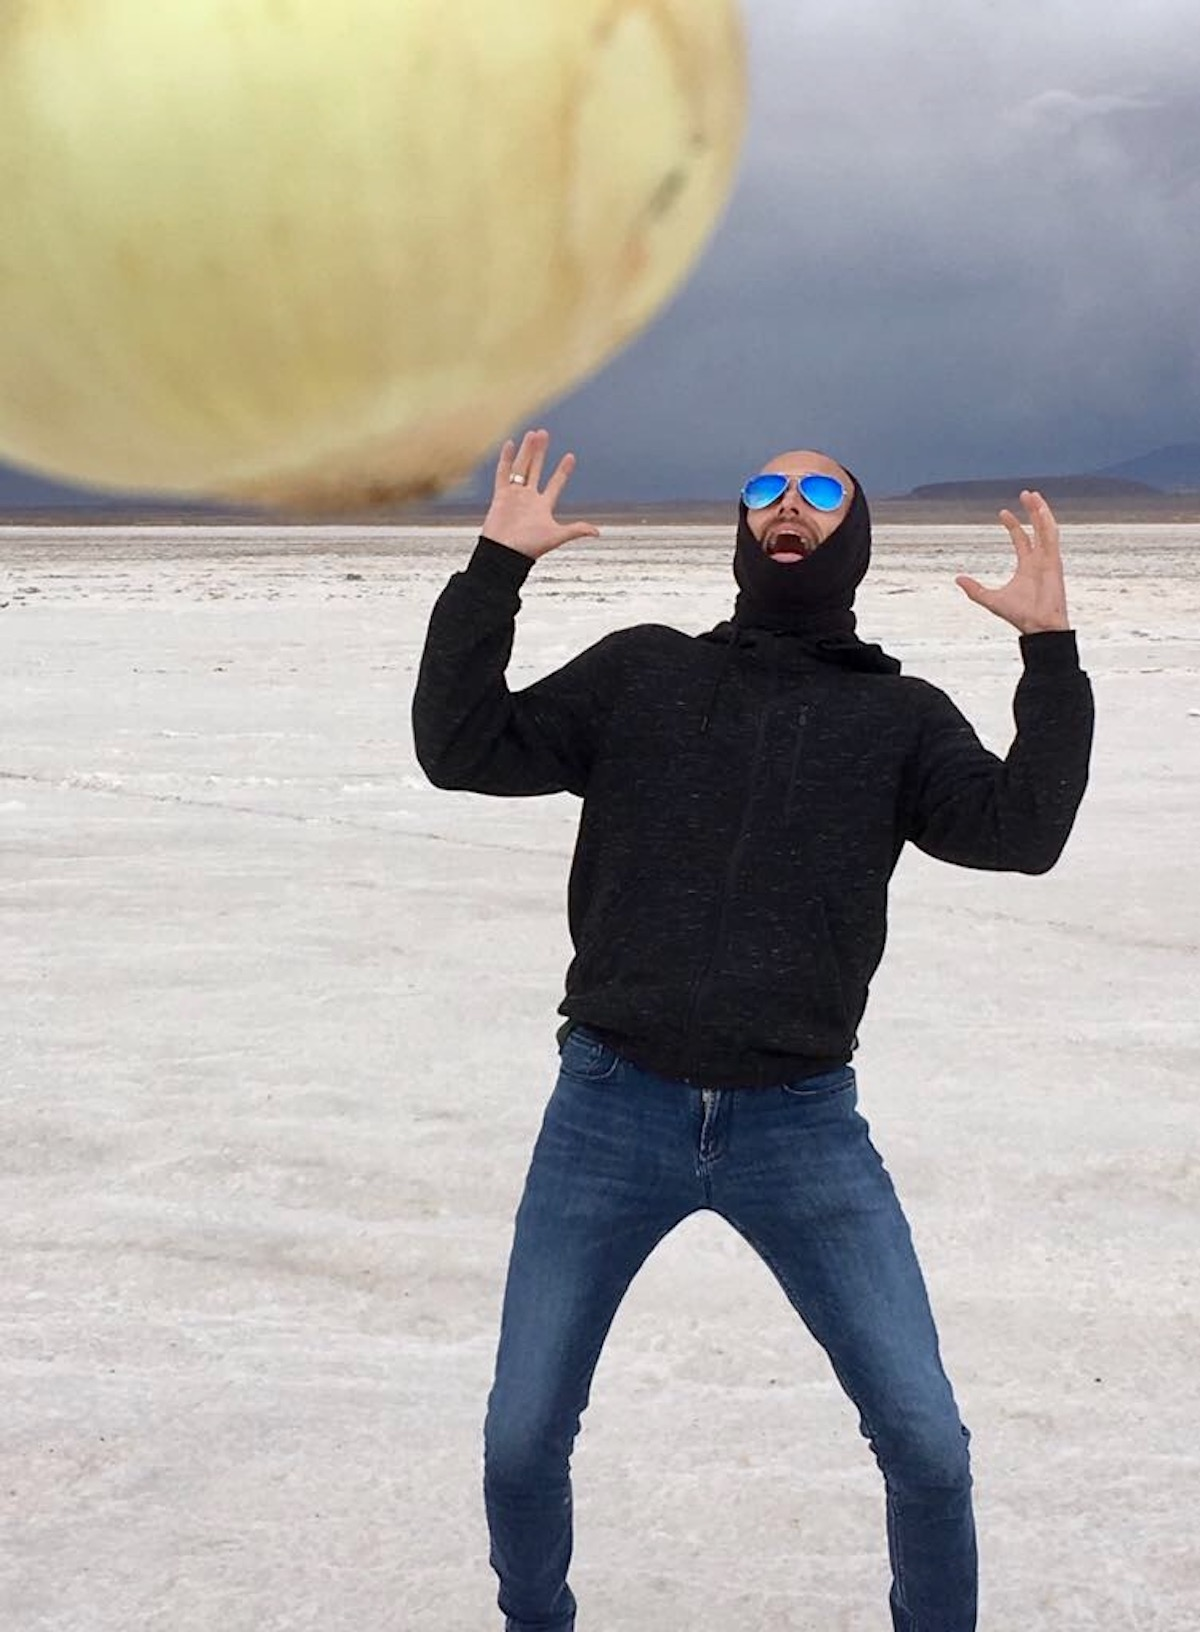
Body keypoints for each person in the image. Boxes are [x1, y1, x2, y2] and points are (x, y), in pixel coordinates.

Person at [411, 426, 1095, 1632]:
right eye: (767, 488)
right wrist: (493, 572)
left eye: (821, 489)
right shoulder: (644, 673)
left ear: (853, 536)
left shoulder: (900, 718)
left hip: (800, 1128)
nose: (790, 503)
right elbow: (461, 746)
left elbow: (1022, 831)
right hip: (610, 1111)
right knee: (521, 1439)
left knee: (928, 1448)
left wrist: (1050, 655)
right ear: (742, 529)